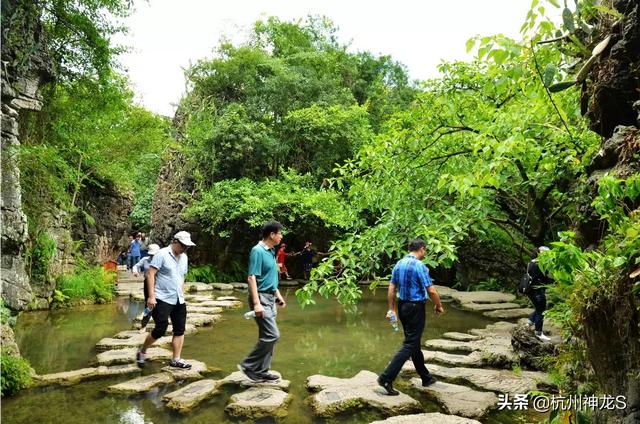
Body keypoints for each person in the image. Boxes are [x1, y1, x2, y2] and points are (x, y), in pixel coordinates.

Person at [378, 239, 444, 396]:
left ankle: (425, 377)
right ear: (421, 249)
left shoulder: (399, 264)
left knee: (414, 343)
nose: (425, 253)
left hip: (403, 307)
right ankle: (386, 378)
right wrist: (438, 305)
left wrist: (392, 309)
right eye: (425, 250)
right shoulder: (419, 266)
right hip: (415, 308)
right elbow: (432, 290)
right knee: (410, 344)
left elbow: (392, 288)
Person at [136, 231, 195, 369]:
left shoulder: (184, 257)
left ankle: (176, 359)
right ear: (175, 242)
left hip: (178, 299)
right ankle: (142, 351)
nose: (185, 248)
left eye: (187, 246)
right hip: (161, 298)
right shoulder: (161, 254)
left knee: (180, 329)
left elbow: (182, 276)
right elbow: (150, 274)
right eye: (183, 245)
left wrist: (181, 291)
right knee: (160, 329)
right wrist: (151, 296)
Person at [238, 221, 287, 382]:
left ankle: (262, 371)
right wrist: (257, 303)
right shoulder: (257, 251)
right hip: (260, 298)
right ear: (272, 234)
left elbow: (270, 277)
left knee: (267, 336)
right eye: (279, 233)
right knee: (273, 335)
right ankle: (248, 365)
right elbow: (252, 278)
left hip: (270, 298)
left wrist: (278, 295)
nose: (281, 236)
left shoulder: (271, 251)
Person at [526, 246, 553, 341]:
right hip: (538, 290)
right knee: (541, 311)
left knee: (539, 308)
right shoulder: (542, 264)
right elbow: (548, 278)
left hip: (529, 290)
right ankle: (538, 333)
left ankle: (529, 323)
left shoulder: (531, 262)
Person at [132, 243, 160, 333]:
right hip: (147, 284)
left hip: (159, 284)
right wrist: (135, 271)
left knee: (160, 305)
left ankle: (159, 325)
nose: (152, 256)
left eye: (154, 254)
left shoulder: (162, 260)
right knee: (148, 304)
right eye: (151, 254)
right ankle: (144, 325)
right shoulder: (145, 260)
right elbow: (136, 266)